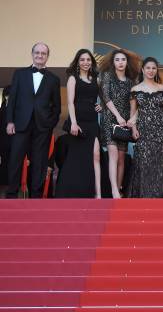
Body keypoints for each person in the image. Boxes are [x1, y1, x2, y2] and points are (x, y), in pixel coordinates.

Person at [5, 42, 61, 199]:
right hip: (20, 125)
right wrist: (10, 121)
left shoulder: (54, 79)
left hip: (42, 127)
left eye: (43, 53)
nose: (40, 55)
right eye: (37, 52)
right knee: (15, 159)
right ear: (32, 54)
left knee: (39, 162)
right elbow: (13, 100)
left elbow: (56, 107)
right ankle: (11, 194)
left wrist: (50, 124)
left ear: (47, 56)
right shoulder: (19, 74)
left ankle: (36, 196)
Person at [55, 49, 102, 198]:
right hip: (78, 121)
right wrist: (73, 123)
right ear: (78, 61)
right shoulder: (72, 78)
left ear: (92, 62)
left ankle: (98, 194)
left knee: (96, 155)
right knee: (75, 157)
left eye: (88, 60)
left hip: (93, 121)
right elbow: (70, 103)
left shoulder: (97, 78)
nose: (85, 62)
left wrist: (102, 106)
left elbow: (105, 98)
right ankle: (70, 191)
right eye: (82, 60)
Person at [99, 49, 140, 198]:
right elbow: (106, 97)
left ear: (127, 62)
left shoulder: (131, 81)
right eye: (117, 59)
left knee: (122, 158)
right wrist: (117, 116)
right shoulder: (107, 76)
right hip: (110, 118)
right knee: (113, 154)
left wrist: (131, 120)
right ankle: (114, 191)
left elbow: (134, 104)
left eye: (123, 59)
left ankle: (118, 188)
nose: (120, 62)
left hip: (125, 123)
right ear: (113, 62)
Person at [126, 57, 163, 198]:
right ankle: (143, 201)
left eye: (154, 68)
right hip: (143, 130)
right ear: (143, 70)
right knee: (143, 165)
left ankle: (156, 201)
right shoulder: (135, 89)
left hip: (161, 131)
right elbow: (133, 112)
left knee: (158, 167)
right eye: (148, 68)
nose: (151, 71)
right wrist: (134, 129)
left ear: (157, 70)